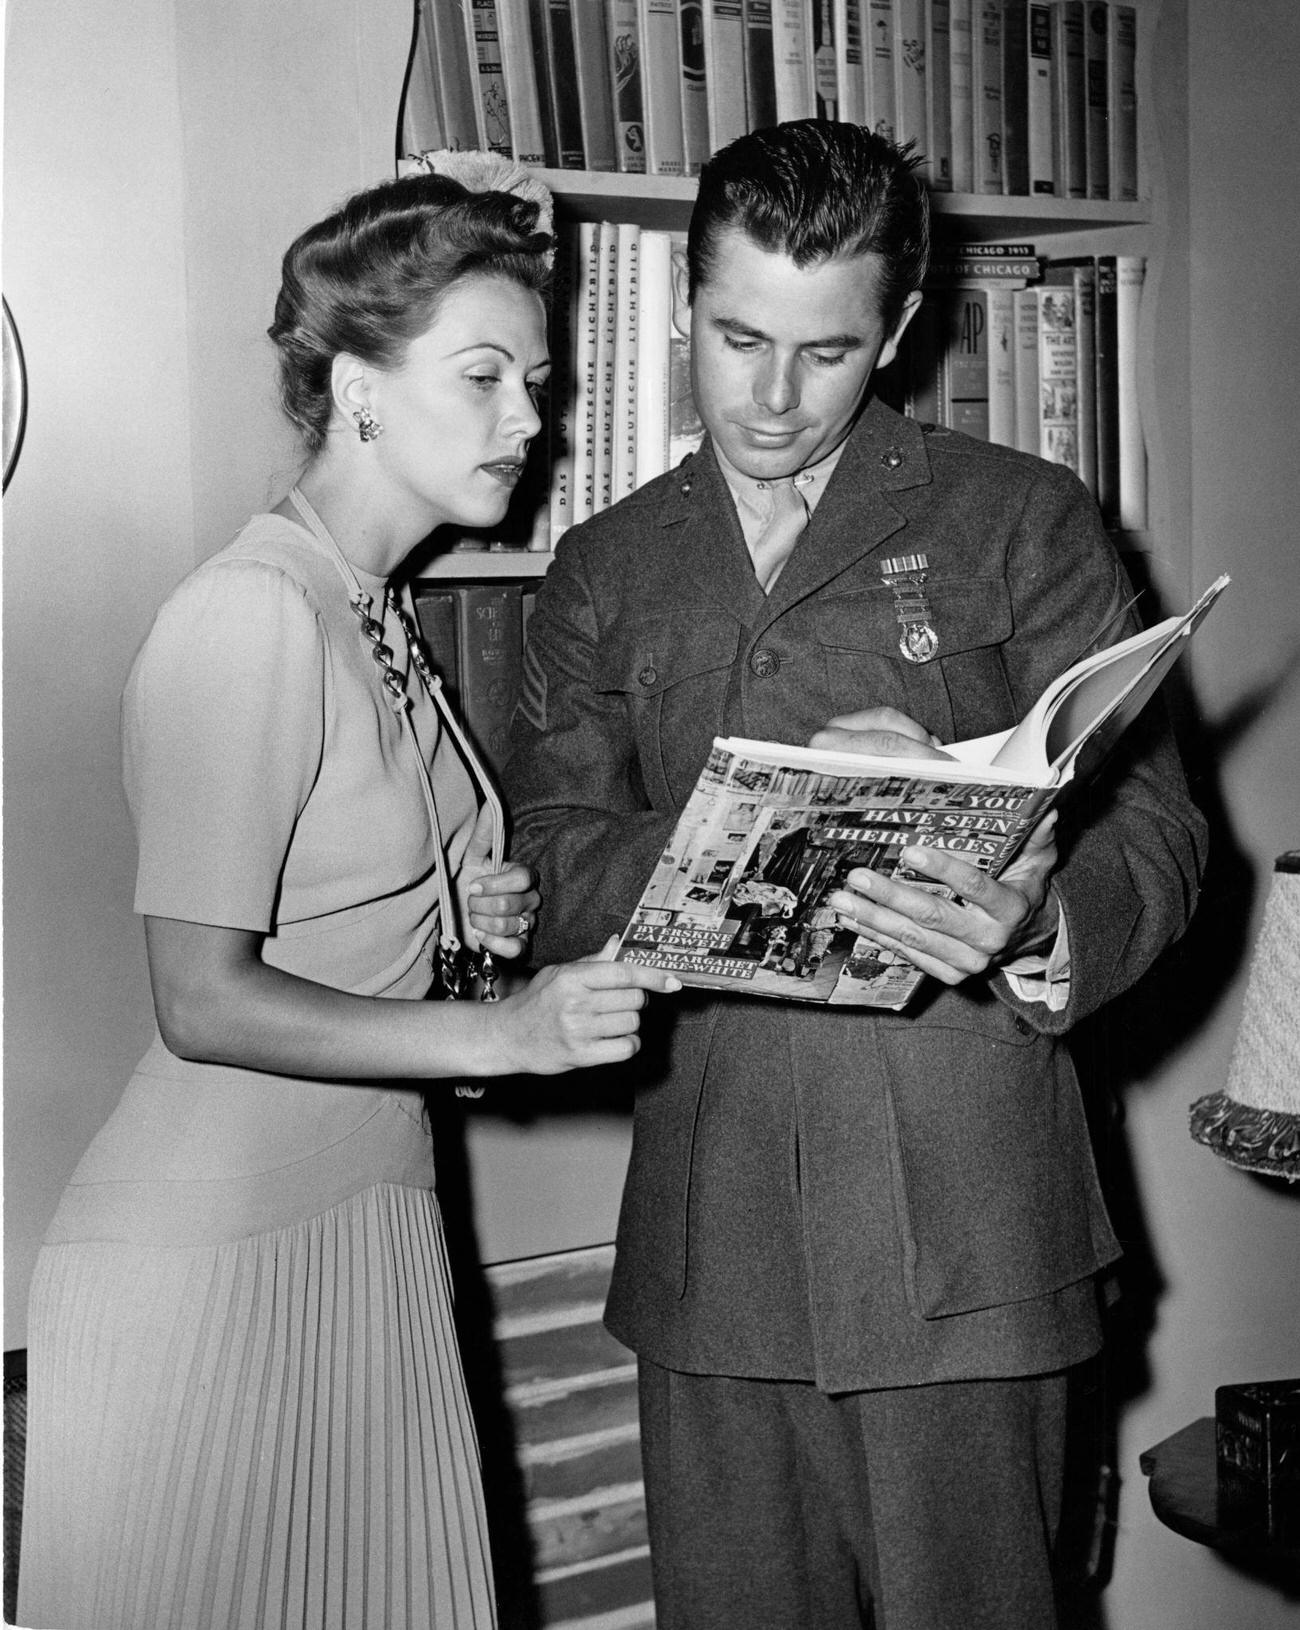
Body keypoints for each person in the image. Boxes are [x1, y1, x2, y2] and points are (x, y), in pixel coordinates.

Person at [503, 121, 1208, 1630]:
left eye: (825, 353)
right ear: (684, 301)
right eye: (735, 335)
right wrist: (754, 823)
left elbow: (1155, 825)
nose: (770, 396)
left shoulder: (1023, 519)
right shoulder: (603, 569)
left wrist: (1039, 917)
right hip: (717, 1239)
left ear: (896, 328)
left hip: (973, 1224)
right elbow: (555, 861)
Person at [17, 165, 677, 1630]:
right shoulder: (250, 614)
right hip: (212, 1262)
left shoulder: (369, 610)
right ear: (358, 387)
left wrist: (462, 932)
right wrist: (502, 1031)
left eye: (540, 380)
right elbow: (199, 996)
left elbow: (344, 933)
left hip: (363, 1226)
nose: (531, 420)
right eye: (485, 376)